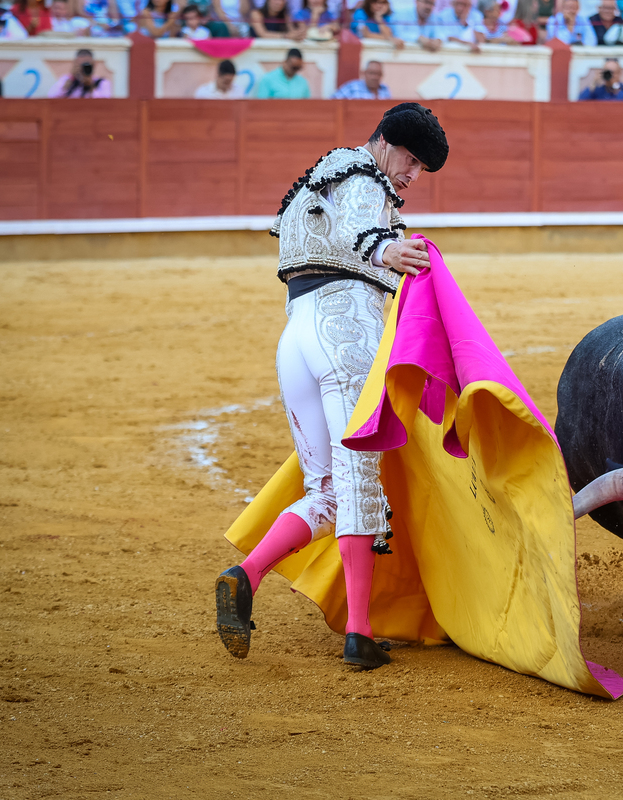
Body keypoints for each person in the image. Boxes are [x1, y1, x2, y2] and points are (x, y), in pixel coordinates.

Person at [214, 103, 449, 670]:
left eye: (421, 168)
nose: (412, 176)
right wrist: (389, 249)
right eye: (411, 160)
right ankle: (359, 632)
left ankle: (245, 575)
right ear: (386, 143)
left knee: (328, 490)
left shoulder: (322, 181)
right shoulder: (362, 173)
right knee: (358, 479)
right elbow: (361, 230)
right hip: (344, 333)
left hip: (297, 335)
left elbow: (344, 231)